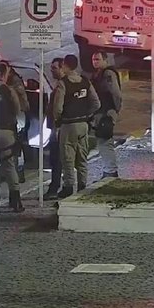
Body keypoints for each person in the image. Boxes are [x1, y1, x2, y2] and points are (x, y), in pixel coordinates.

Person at [52, 54, 100, 199]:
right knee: (82, 157)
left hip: (69, 125)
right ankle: (82, 185)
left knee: (68, 158)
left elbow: (58, 107)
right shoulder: (85, 82)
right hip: (83, 125)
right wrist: (86, 114)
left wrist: (57, 120)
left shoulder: (63, 83)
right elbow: (96, 103)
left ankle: (68, 187)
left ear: (65, 66)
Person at [0, 63, 24, 212]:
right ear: (3, 74)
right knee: (9, 165)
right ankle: (16, 200)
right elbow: (18, 110)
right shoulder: (7, 90)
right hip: (6, 133)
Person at [90, 51, 122, 178]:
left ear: (105, 60)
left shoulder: (108, 74)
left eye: (97, 59)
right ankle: (108, 170)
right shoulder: (98, 74)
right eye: (93, 59)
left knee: (105, 142)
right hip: (100, 113)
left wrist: (115, 111)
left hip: (106, 112)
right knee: (102, 142)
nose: (95, 62)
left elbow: (116, 94)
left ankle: (110, 171)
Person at [44, 57, 65, 200]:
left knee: (57, 159)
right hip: (56, 127)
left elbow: (58, 108)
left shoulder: (62, 86)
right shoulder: (59, 85)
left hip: (59, 128)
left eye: (54, 68)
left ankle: (55, 187)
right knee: (55, 158)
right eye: (51, 68)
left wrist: (57, 125)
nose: (52, 71)